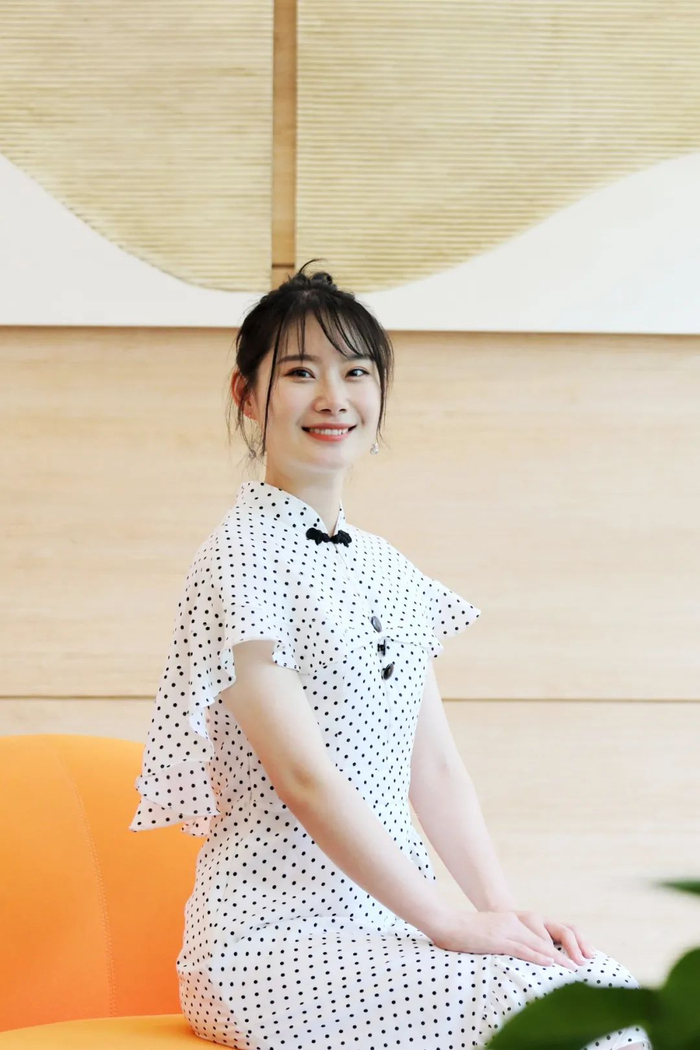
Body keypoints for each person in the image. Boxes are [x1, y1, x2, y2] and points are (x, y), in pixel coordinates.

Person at [129, 261, 651, 1049]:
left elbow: (433, 770)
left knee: (604, 991)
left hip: (389, 930)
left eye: (356, 372)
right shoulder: (240, 558)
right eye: (299, 372)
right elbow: (304, 779)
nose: (333, 396)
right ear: (247, 395)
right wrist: (447, 921)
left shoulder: (388, 567)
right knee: (546, 1013)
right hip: (268, 946)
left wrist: (501, 914)